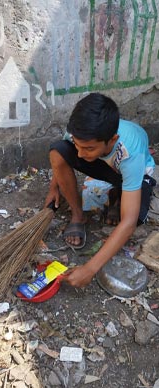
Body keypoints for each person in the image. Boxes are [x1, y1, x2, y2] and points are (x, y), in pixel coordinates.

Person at [45, 93, 156, 288]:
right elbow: (65, 152)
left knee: (134, 216)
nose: (79, 153)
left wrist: (90, 268)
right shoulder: (81, 134)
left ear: (112, 140)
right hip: (106, 164)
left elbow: (129, 223)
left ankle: (118, 196)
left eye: (87, 147)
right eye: (78, 145)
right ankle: (78, 216)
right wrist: (55, 187)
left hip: (132, 172)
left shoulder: (131, 154)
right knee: (57, 150)